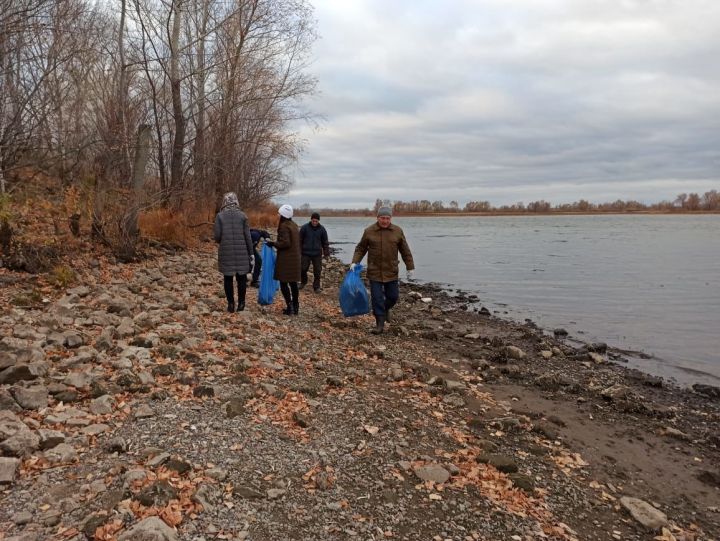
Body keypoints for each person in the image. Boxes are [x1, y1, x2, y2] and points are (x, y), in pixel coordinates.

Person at [351, 206, 415, 334]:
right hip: (374, 271)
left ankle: (384, 309)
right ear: (377, 218)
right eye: (382, 218)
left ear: (391, 218)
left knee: (393, 297)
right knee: (376, 298)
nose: (385, 221)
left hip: (391, 270)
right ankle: (379, 324)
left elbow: (405, 250)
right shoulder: (369, 231)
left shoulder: (397, 231)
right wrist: (355, 262)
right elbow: (361, 248)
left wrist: (410, 267)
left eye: (387, 218)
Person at [214, 192, 254, 312]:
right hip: (242, 251)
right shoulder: (243, 216)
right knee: (241, 278)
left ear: (224, 202)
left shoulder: (220, 216)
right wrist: (251, 253)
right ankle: (241, 304)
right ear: (236, 201)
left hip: (226, 251)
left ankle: (231, 304)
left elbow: (217, 237)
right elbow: (248, 236)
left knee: (228, 278)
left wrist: (224, 239)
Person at [266, 204, 301, 315]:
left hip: (286, 259)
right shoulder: (294, 225)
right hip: (295, 258)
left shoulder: (284, 226)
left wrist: (273, 243)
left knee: (283, 283)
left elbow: (286, 243)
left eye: (280, 214)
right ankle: (296, 307)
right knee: (293, 283)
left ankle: (289, 307)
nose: (278, 215)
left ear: (283, 215)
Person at [299, 212, 330, 292]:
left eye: (316, 221)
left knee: (317, 271)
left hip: (317, 254)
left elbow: (325, 242)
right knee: (303, 269)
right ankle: (303, 282)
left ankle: (316, 287)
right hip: (305, 253)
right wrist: (299, 251)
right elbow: (299, 240)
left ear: (318, 221)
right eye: (313, 221)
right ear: (311, 220)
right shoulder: (304, 228)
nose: (314, 222)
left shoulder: (322, 229)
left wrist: (326, 253)